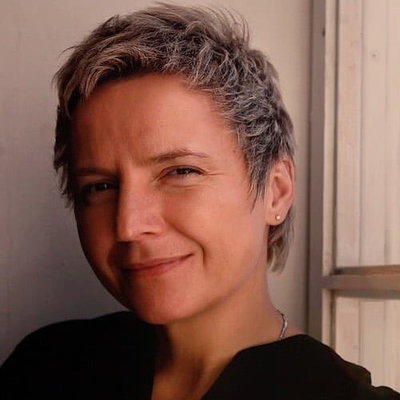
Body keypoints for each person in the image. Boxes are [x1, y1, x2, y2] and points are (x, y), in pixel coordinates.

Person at [0, 3, 399, 399]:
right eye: (100, 186)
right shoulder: (44, 367)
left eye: (180, 171)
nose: (129, 225)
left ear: (276, 190)